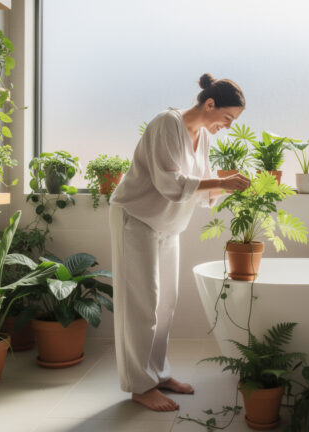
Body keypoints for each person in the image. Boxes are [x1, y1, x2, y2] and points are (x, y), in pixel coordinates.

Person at [108, 73, 250, 412]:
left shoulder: (203, 136)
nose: (228, 126)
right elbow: (169, 182)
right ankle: (140, 386)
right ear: (210, 104)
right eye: (227, 118)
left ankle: (157, 374)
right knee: (141, 304)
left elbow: (200, 189)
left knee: (165, 304)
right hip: (136, 217)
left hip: (167, 224)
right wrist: (221, 181)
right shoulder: (166, 123)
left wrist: (224, 183)